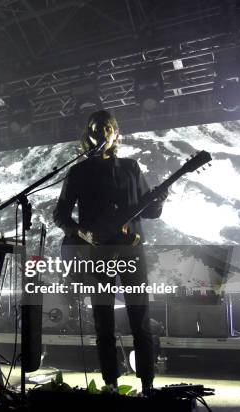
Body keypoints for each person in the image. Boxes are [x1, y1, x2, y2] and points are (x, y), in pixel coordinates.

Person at [53, 110, 168, 393]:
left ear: (115, 133)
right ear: (87, 136)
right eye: (94, 129)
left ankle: (148, 385)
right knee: (103, 322)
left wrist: (160, 199)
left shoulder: (130, 168)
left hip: (131, 251)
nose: (101, 132)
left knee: (139, 320)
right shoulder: (78, 172)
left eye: (106, 128)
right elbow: (60, 215)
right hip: (98, 254)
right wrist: (82, 233)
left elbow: (150, 210)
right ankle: (111, 385)